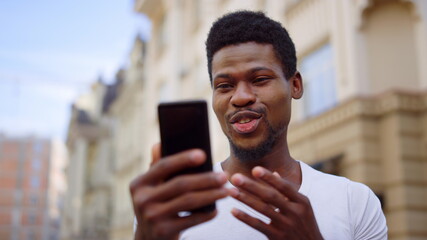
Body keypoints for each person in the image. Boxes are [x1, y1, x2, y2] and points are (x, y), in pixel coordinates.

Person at [130, 10, 388, 240]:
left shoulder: (354, 201)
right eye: (224, 86)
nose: (240, 97)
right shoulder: (174, 206)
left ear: (295, 85)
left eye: (260, 79)